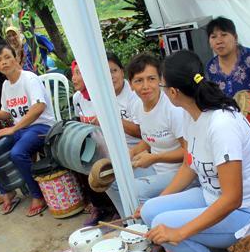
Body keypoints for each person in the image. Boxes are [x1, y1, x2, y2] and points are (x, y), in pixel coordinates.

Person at [140, 50, 250, 252]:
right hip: (210, 196)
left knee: (162, 225)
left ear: (174, 92)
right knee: (150, 210)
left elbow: (233, 199)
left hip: (248, 211)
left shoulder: (222, 126)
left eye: (161, 85)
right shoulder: (190, 112)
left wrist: (180, 233)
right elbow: (189, 163)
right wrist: (161, 199)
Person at [0, 44, 55, 217]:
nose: (4, 62)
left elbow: (39, 107)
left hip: (41, 126)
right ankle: (8, 192)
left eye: (7, 57)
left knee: (17, 153)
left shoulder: (29, 78)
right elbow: (7, 112)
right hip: (21, 130)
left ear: (16, 58)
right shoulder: (6, 85)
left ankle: (38, 196)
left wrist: (14, 129)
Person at [107, 54, 185, 217]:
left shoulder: (172, 109)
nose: (145, 86)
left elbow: (189, 154)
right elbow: (150, 139)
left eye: (151, 79)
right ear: (131, 84)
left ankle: (148, 231)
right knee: (112, 178)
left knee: (136, 189)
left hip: (181, 173)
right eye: (139, 80)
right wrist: (132, 153)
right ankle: (129, 221)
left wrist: (155, 158)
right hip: (155, 168)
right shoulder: (137, 106)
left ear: (160, 80)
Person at [70, 60, 117, 225]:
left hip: (110, 145)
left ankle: (115, 208)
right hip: (92, 145)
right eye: (73, 73)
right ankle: (99, 207)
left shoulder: (102, 96)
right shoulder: (77, 98)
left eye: (78, 73)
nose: (74, 78)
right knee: (78, 162)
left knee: (101, 166)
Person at [205, 17, 250, 97]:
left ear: (235, 37)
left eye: (224, 35)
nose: (219, 41)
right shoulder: (210, 67)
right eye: (213, 37)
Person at [107, 51, 141, 147]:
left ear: (122, 72)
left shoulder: (135, 94)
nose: (111, 77)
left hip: (138, 148)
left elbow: (142, 132)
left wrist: (110, 118)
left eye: (114, 71)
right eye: (106, 72)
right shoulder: (101, 96)